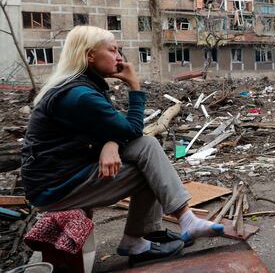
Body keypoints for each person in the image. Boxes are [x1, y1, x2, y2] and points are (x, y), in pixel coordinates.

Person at [21, 26, 224, 265]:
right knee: (149, 167)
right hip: (55, 189)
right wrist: (135, 87)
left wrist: (111, 143)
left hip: (66, 173)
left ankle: (160, 229)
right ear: (90, 55)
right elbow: (130, 129)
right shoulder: (80, 96)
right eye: (113, 50)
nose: (119, 58)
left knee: (146, 146)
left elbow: (114, 128)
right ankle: (143, 240)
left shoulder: (80, 85)